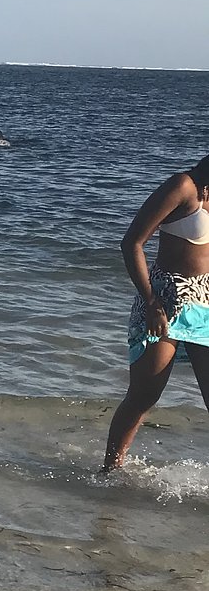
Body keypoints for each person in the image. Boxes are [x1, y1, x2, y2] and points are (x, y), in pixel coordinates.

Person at [104, 155, 209, 470]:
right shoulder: (183, 186)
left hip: (205, 304)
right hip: (165, 302)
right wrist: (151, 302)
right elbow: (132, 243)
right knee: (143, 396)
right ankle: (110, 472)